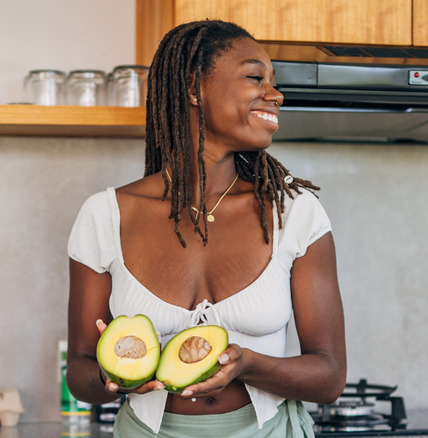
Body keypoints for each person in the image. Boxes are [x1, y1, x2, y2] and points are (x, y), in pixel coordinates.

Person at [66, 19, 347, 437]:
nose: (276, 94)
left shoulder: (295, 212)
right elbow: (79, 373)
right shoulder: (104, 215)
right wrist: (112, 378)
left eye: (273, 81)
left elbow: (329, 378)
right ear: (193, 87)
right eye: (256, 77)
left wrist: (248, 365)